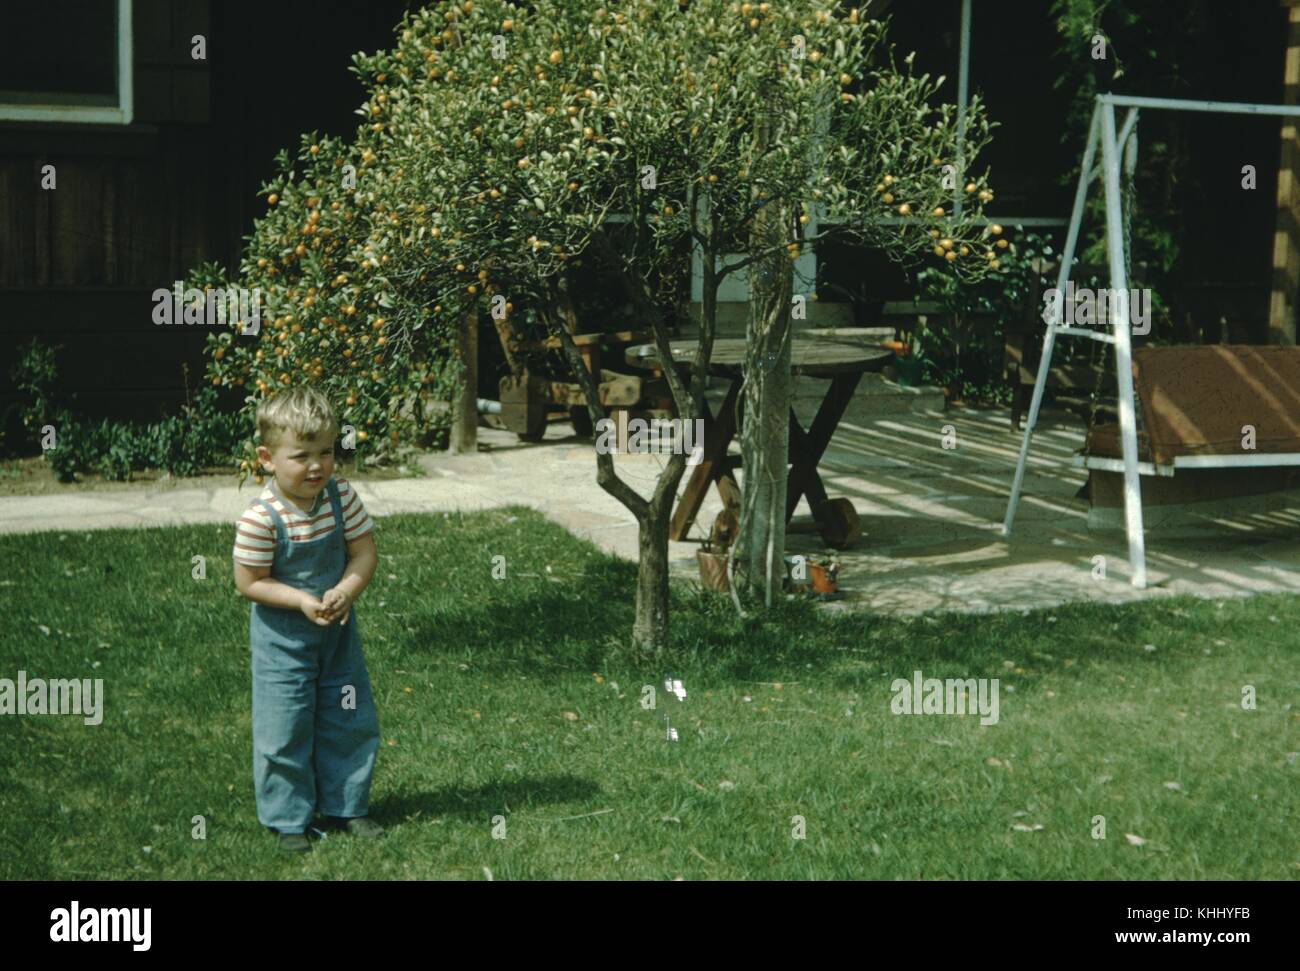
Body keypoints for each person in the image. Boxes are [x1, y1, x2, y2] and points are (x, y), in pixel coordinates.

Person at [232, 386, 382, 853]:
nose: (317, 465)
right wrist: (299, 600)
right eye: (301, 456)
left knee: (347, 717)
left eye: (325, 452)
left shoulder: (340, 497)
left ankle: (347, 805)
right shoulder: (261, 518)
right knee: (285, 726)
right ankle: (287, 818)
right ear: (267, 458)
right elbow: (249, 581)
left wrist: (345, 590)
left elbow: (364, 553)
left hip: (337, 637)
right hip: (283, 643)